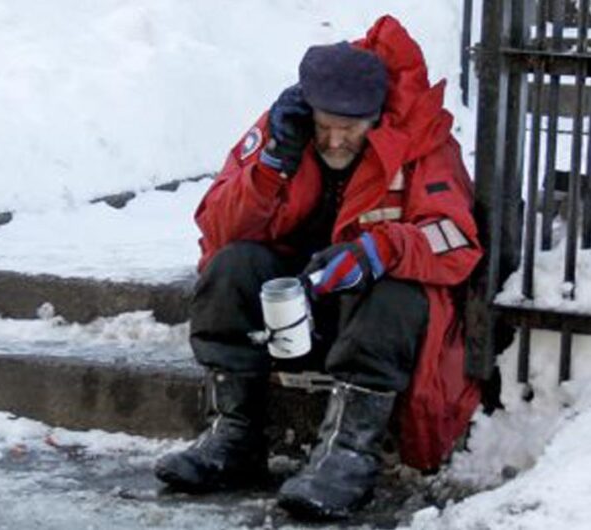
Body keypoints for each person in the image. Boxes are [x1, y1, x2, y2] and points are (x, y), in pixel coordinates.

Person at [154, 15, 483, 519]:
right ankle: (233, 436)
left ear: (375, 118)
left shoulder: (423, 145)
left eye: (348, 128)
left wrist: (378, 252)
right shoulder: (281, 130)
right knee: (230, 265)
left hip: (374, 320)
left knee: (396, 290)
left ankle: (347, 456)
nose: (333, 140)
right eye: (324, 126)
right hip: (296, 306)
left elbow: (456, 239)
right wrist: (269, 168)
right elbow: (217, 227)